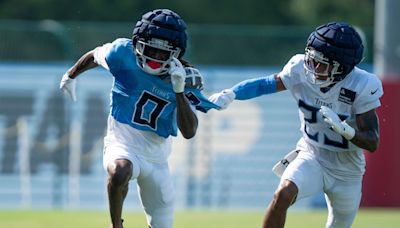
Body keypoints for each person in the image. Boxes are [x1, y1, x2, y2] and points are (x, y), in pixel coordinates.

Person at [209, 22, 383, 228]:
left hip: (347, 169)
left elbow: (372, 142)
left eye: (322, 64)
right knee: (283, 194)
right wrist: (232, 94)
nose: (312, 67)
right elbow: (266, 84)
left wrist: (345, 129)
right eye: (312, 59)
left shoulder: (362, 84)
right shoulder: (300, 68)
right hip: (312, 154)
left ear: (341, 68)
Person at [59, 9, 219, 228]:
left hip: (157, 159)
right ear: (138, 43)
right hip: (122, 142)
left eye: (163, 53)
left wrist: (179, 91)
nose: (154, 57)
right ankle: (116, 225)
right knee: (120, 170)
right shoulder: (122, 53)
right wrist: (71, 75)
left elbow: (190, 132)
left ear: (176, 54)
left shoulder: (184, 77)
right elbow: (95, 55)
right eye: (151, 49)